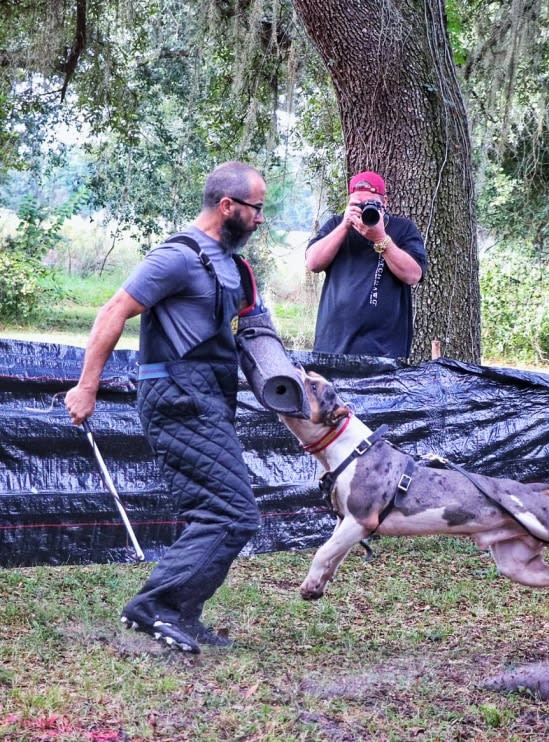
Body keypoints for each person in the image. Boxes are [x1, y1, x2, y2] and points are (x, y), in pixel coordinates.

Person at [65, 161, 268, 654]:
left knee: (214, 511)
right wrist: (86, 387)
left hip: (209, 396)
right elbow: (113, 310)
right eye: (256, 208)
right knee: (233, 512)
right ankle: (156, 606)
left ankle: (178, 612)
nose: (261, 218)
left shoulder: (234, 266)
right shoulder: (176, 258)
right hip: (176, 397)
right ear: (227, 206)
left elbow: (256, 330)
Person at [306, 170, 427, 359]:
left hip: (386, 349)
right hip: (333, 345)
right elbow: (313, 263)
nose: (364, 209)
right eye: (357, 204)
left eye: (370, 203)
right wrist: (345, 226)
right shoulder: (336, 225)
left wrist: (380, 238)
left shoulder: (403, 229)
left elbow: (413, 275)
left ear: (384, 202)